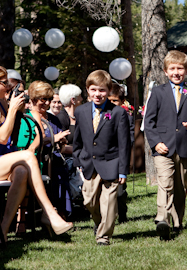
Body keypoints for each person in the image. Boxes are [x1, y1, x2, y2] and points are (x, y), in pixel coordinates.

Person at [0, 66, 72, 242]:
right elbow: (2, 138)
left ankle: (2, 232)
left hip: (6, 160)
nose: (7, 87)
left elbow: (19, 126)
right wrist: (12, 109)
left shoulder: (1, 103)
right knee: (28, 156)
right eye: (4, 83)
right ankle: (49, 213)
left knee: (22, 171)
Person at [143, 50, 187, 240]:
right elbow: (149, 122)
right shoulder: (157, 92)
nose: (176, 72)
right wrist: (155, 144)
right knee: (165, 182)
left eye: (180, 68)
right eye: (172, 69)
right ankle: (162, 219)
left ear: (186, 71)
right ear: (165, 71)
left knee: (181, 186)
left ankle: (178, 222)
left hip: (186, 147)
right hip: (163, 147)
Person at [73, 70, 131, 245]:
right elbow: (78, 139)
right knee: (89, 201)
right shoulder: (81, 111)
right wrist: (78, 160)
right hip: (88, 163)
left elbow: (124, 144)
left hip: (111, 163)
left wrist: (123, 171)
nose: (97, 94)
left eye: (102, 90)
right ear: (87, 90)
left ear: (109, 90)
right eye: (93, 90)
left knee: (109, 202)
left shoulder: (118, 113)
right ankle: (99, 223)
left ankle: (103, 236)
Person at [17, 81, 72, 217]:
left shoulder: (54, 119)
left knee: (61, 167)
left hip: (53, 157)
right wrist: (53, 138)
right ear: (34, 99)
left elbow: (61, 145)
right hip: (35, 158)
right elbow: (27, 143)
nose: (47, 103)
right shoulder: (26, 118)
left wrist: (61, 142)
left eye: (49, 99)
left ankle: (61, 213)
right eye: (43, 99)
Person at [108, 83, 135, 223]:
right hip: (105, 157)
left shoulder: (127, 117)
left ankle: (122, 212)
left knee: (120, 190)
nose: (112, 103)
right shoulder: (104, 115)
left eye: (115, 101)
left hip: (119, 157)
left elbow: (130, 138)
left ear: (122, 101)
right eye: (109, 100)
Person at [57, 84, 84, 202]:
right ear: (73, 100)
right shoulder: (61, 118)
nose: (82, 99)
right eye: (80, 96)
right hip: (67, 158)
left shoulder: (81, 117)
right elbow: (60, 147)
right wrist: (81, 151)